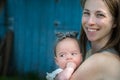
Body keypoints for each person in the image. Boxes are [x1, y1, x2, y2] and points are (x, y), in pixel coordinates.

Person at [69, 0, 120, 80]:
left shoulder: (100, 61)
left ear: (115, 22)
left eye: (100, 15)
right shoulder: (90, 53)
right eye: (86, 13)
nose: (90, 22)